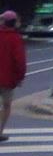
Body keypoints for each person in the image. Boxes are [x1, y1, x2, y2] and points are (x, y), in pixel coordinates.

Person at [0, 11, 27, 141]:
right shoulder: (16, 38)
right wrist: (20, 77)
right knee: (6, 106)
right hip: (7, 79)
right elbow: (20, 61)